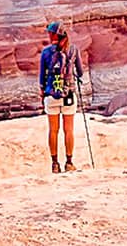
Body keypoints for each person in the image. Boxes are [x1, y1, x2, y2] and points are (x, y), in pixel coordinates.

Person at [38, 20, 83, 173]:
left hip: (52, 95)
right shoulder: (73, 50)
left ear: (54, 35)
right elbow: (81, 72)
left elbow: (41, 78)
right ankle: (69, 162)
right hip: (68, 96)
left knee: (53, 131)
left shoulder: (46, 52)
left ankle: (55, 164)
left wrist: (43, 92)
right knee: (68, 130)